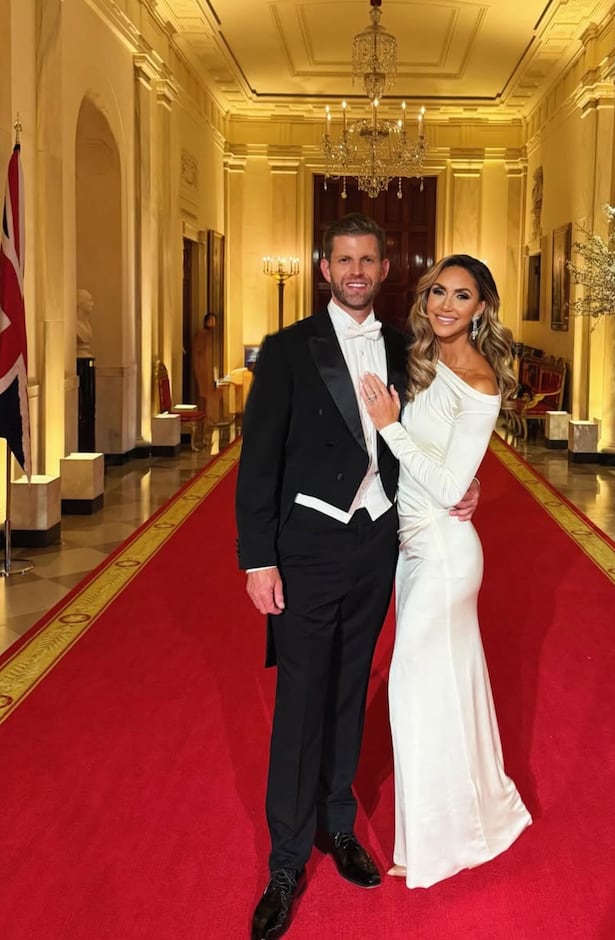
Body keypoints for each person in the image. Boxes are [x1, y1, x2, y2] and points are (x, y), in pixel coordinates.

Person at [235, 214, 480, 940]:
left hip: (378, 545)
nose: (356, 270)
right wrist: (258, 559)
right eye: (343, 259)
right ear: (324, 268)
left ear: (383, 267)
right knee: (302, 697)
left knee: (348, 689)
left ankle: (338, 826)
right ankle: (285, 860)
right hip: (307, 543)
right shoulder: (286, 351)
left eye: (367, 259)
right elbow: (259, 464)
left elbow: (436, 436)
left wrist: (466, 487)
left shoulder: (410, 349)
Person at [359, 254, 533, 889]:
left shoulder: (481, 384)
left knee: (409, 691)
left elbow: (446, 482)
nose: (446, 305)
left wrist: (391, 428)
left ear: (481, 308)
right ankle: (469, 819)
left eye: (462, 296)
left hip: (444, 554)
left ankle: (434, 839)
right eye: (438, 292)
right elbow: (449, 467)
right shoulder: (423, 361)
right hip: (414, 551)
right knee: (446, 692)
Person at [192, 311, 223, 425]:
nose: (213, 323)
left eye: (214, 321)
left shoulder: (211, 336)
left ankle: (209, 421)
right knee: (203, 397)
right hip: (203, 372)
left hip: (209, 372)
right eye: (211, 321)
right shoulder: (201, 335)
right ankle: (203, 422)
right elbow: (198, 354)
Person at [76, 288, 94, 358]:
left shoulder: (86, 324)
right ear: (80, 303)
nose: (92, 304)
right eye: (89, 301)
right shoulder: (75, 326)